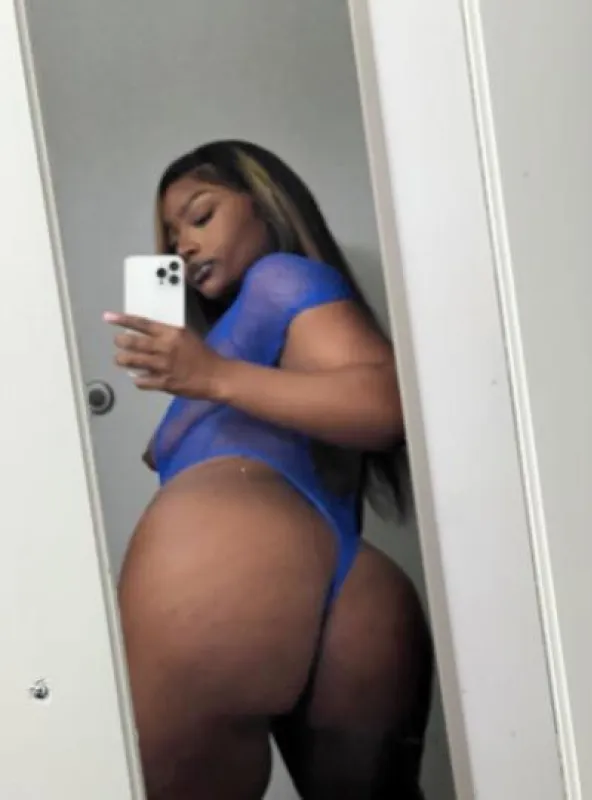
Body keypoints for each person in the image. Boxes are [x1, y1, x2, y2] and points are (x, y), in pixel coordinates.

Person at [105, 140, 432, 800]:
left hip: (232, 575)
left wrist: (212, 378)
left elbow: (386, 405)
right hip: (355, 582)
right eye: (171, 236)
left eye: (201, 216)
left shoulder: (280, 279)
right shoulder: (240, 338)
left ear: (265, 204)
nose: (184, 246)